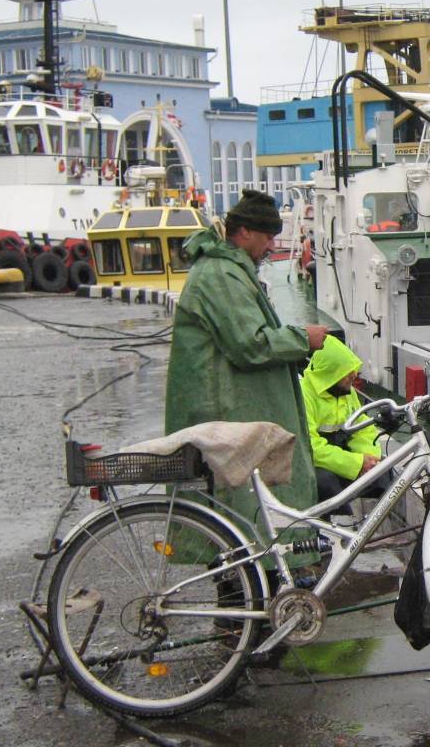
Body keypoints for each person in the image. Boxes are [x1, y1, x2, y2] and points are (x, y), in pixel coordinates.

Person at [164, 188, 328, 562]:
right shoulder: (222, 274)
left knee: (238, 510)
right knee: (234, 508)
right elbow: (249, 344)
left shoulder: (227, 270)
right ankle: (240, 601)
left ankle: (248, 592)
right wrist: (304, 338)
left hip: (228, 408)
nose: (272, 245)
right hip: (224, 410)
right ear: (245, 234)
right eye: (268, 237)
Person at [300, 336, 383, 520]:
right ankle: (340, 532)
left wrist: (369, 457)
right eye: (346, 373)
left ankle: (372, 524)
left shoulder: (347, 392)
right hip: (314, 462)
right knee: (325, 483)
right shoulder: (305, 395)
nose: (353, 375)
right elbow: (311, 448)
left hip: (340, 456)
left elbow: (363, 428)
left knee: (383, 474)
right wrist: (355, 463)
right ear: (331, 373)